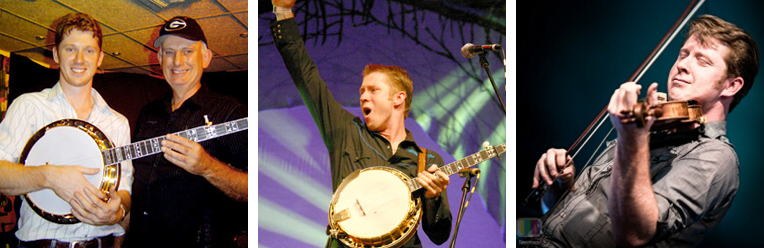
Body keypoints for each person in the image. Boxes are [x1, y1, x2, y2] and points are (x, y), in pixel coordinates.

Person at [526, 15, 759, 247]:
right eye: (683, 54)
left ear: (731, 85)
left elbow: (634, 234)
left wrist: (630, 139)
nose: (682, 65)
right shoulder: (646, 128)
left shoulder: (715, 156)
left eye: (702, 60)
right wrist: (561, 185)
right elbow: (551, 214)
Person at [270, 1, 453, 247]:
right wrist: (283, 12)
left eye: (373, 90)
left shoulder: (428, 161)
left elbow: (439, 236)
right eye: (362, 91)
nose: (363, 96)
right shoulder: (347, 131)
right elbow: (306, 76)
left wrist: (433, 196)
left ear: (398, 99)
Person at [0, 13, 132, 248]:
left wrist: (118, 208)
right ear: (55, 55)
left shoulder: (118, 123)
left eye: (89, 51)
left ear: (100, 58)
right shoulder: (29, 106)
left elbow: (124, 190)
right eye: (70, 49)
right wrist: (50, 176)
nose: (80, 59)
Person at [123, 16, 248, 248]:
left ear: (206, 57)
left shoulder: (232, 113)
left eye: (187, 51)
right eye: (169, 52)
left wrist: (207, 167)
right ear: (159, 58)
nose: (177, 61)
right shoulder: (149, 113)